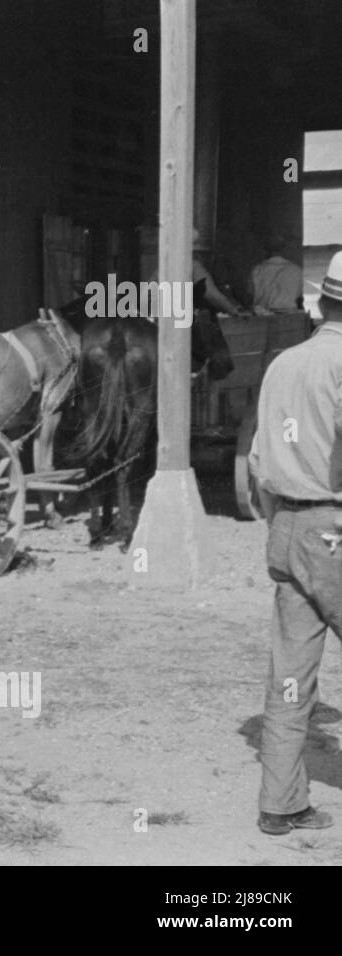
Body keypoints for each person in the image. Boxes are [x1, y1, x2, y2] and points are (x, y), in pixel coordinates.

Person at [246, 249, 342, 836]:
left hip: (287, 529)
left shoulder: (284, 363)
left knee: (289, 672)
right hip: (333, 530)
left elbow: (259, 457)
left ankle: (280, 804)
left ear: (321, 301)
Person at [249, 234, 305, 314]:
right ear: (283, 248)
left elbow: (251, 294)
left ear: (265, 249)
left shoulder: (257, 270)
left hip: (263, 316)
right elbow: (299, 295)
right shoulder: (296, 270)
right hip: (290, 316)